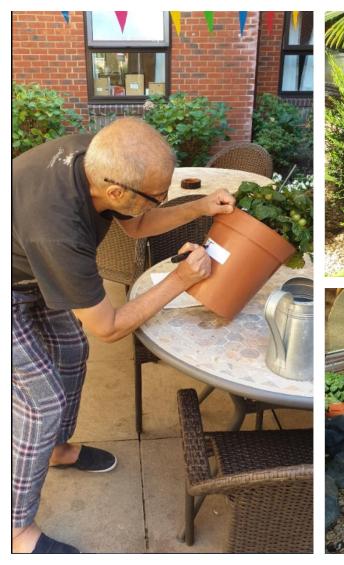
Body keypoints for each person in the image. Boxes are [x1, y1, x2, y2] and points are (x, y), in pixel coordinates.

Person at [12, 117, 236, 553]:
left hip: (33, 267)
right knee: (41, 403)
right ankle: (15, 529)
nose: (162, 201)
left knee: (73, 352)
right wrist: (178, 282)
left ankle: (56, 450)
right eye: (157, 196)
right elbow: (109, 326)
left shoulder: (96, 155)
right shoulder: (57, 228)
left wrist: (202, 206)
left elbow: (134, 223)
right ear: (115, 191)